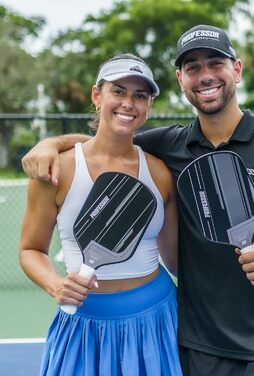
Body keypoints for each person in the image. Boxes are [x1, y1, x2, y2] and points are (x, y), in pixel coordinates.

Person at [22, 25, 254, 376]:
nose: (205, 75)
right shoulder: (170, 148)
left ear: (236, 70)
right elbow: (111, 142)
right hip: (195, 344)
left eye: (215, 63)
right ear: (181, 79)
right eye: (193, 67)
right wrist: (51, 144)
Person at [19, 53, 182, 376]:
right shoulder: (56, 170)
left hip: (157, 319)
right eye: (118, 91)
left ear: (148, 106)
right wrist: (56, 285)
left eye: (140, 95)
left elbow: (177, 261)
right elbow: (30, 250)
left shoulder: (161, 174)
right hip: (82, 323)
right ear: (97, 95)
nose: (129, 103)